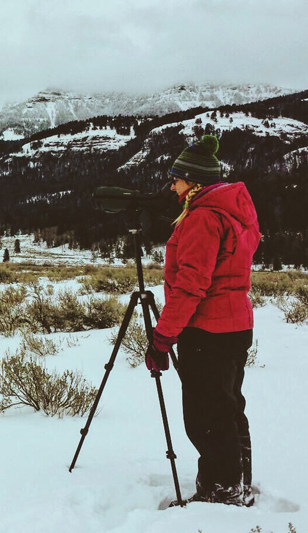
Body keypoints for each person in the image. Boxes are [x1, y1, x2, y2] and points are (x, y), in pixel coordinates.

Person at [144, 134, 260, 507]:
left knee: (205, 416)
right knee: (227, 406)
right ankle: (237, 481)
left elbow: (190, 287)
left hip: (207, 331)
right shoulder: (234, 210)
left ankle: (221, 493)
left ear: (193, 182)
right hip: (236, 325)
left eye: (176, 178)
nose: (172, 184)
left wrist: (163, 338)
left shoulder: (203, 219)